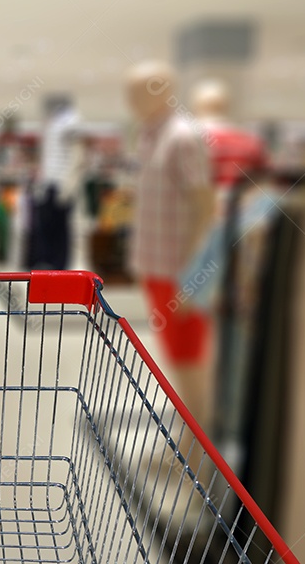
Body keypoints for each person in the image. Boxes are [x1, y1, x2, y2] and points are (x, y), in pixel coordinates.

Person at [125, 61, 216, 428]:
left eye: (139, 90)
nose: (129, 99)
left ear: (164, 89)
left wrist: (194, 279)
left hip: (180, 275)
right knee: (176, 364)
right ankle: (187, 445)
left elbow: (205, 207)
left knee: (189, 364)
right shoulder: (149, 137)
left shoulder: (182, 137)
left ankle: (201, 458)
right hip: (157, 269)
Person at [27, 97, 81, 270]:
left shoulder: (71, 122)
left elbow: (77, 157)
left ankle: (59, 266)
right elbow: (47, 158)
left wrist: (69, 186)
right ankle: (48, 264)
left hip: (61, 185)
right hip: (47, 185)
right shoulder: (50, 125)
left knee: (60, 230)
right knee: (46, 227)